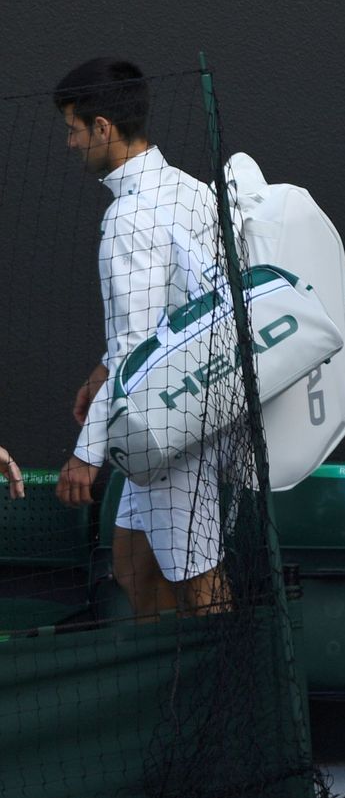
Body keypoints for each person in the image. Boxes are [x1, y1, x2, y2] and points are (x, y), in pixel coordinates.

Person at [53, 57, 228, 617]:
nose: (70, 144)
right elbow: (168, 315)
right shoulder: (191, 190)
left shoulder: (127, 217)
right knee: (133, 562)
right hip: (186, 412)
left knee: (200, 584)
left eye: (73, 129)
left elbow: (135, 346)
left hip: (169, 429)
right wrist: (103, 371)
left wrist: (86, 454)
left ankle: (231, 697)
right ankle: (173, 691)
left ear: (103, 127)